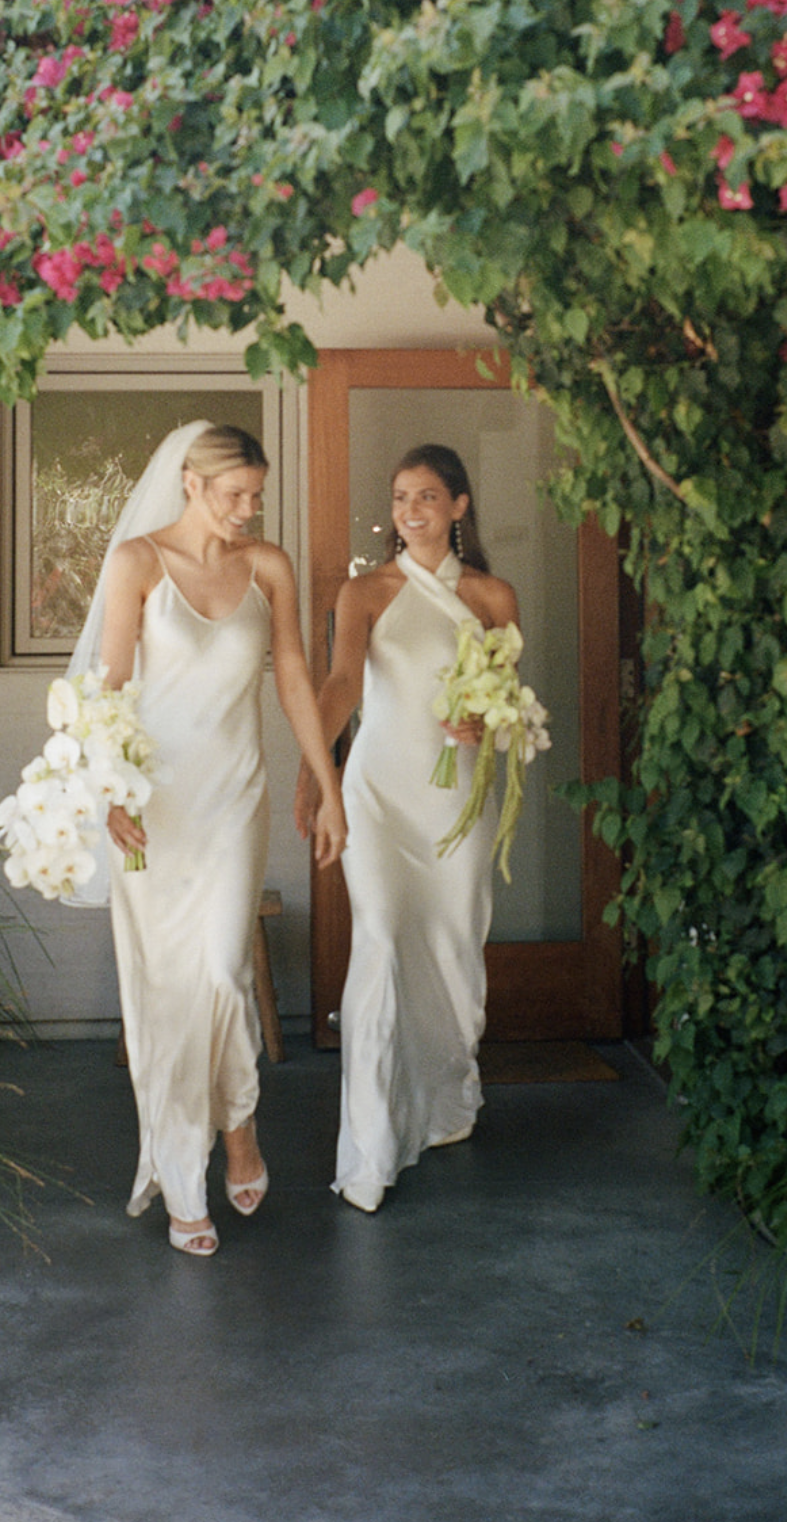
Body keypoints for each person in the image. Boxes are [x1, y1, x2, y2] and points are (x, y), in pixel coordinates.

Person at [67, 420, 347, 1256]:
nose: (250, 509)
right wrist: (108, 788)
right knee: (168, 993)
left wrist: (326, 784)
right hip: (155, 809)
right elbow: (110, 686)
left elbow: (295, 675)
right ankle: (191, 1168)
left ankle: (238, 1126)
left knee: (223, 973)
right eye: (236, 494)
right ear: (191, 482)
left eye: (257, 495)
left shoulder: (269, 568)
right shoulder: (138, 566)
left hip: (232, 802)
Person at [297, 443, 520, 1213]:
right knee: (384, 941)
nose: (410, 510)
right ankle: (368, 1146)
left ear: (459, 507)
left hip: (459, 798)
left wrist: (484, 727)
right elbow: (339, 683)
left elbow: (509, 701)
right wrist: (314, 774)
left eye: (426, 496)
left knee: (454, 945)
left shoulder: (494, 596)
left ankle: (449, 1100)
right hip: (380, 796)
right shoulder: (364, 593)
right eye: (399, 498)